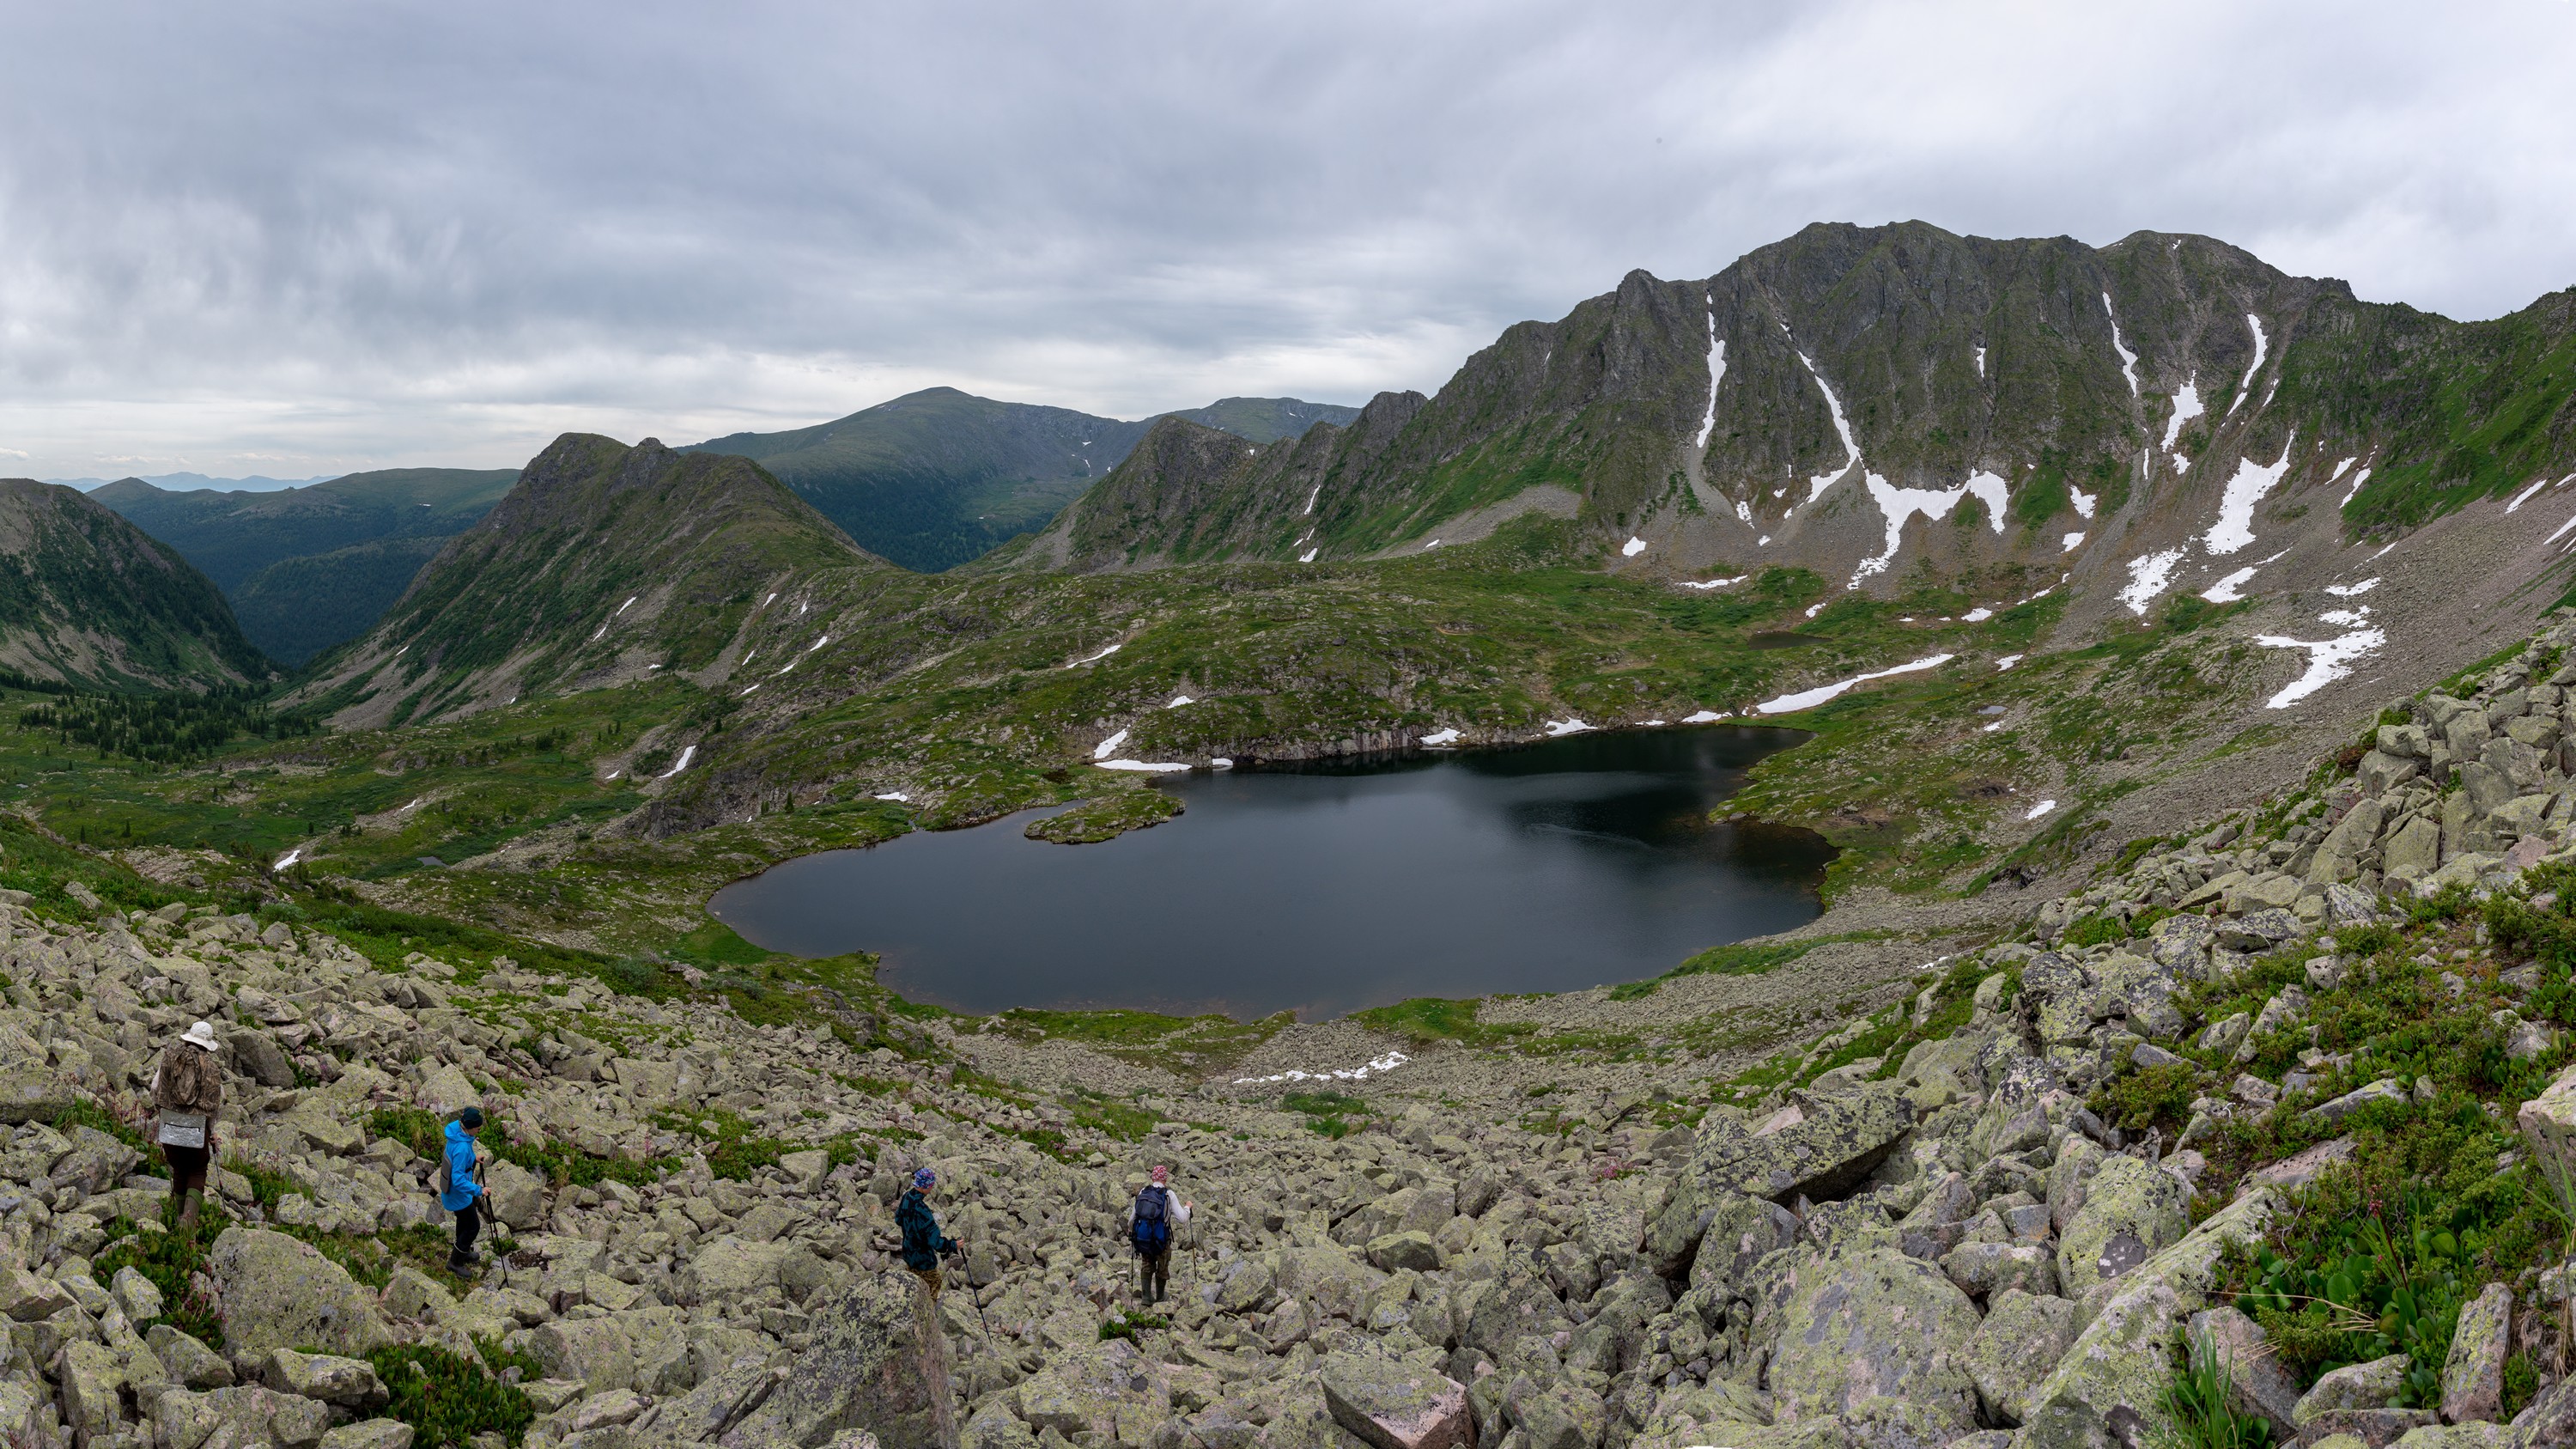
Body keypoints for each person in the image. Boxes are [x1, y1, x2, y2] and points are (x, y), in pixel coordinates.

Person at [150, 1020, 224, 1231]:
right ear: (207, 1045)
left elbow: (155, 1088)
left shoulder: (170, 1058)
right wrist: (212, 1132)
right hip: (197, 1128)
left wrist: (163, 1113)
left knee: (179, 1169)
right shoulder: (212, 1069)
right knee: (197, 1170)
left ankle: (178, 1219)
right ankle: (187, 1224)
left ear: (189, 1038)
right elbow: (215, 1104)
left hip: (169, 1123)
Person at [1126, 1164, 1192, 1306]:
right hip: (1161, 1239)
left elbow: (1132, 1218)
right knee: (1163, 1266)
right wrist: (1188, 1207)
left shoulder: (1143, 1191)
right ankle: (1160, 1297)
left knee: (1146, 1263)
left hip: (1144, 1238)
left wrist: (1132, 1231)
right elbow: (1183, 1218)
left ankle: (1146, 1297)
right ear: (1165, 1179)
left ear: (1153, 1178)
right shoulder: (1169, 1194)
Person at [895, 1166, 961, 1296]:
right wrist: (953, 1245)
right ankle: (927, 1308)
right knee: (934, 1284)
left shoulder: (907, 1197)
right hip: (923, 1261)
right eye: (931, 1185)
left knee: (913, 1286)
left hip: (908, 1254)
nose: (932, 1188)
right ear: (925, 1186)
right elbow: (935, 1242)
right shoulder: (923, 1211)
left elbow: (898, 1220)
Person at [439, 1108, 488, 1274]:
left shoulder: (457, 1134)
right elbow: (458, 1180)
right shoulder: (462, 1147)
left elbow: (456, 1160)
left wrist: (473, 1159)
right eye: (478, 1128)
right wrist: (479, 1190)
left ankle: (463, 1251)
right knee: (473, 1226)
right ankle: (455, 1262)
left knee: (463, 1221)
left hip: (454, 1193)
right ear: (470, 1127)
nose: (479, 1130)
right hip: (458, 1195)